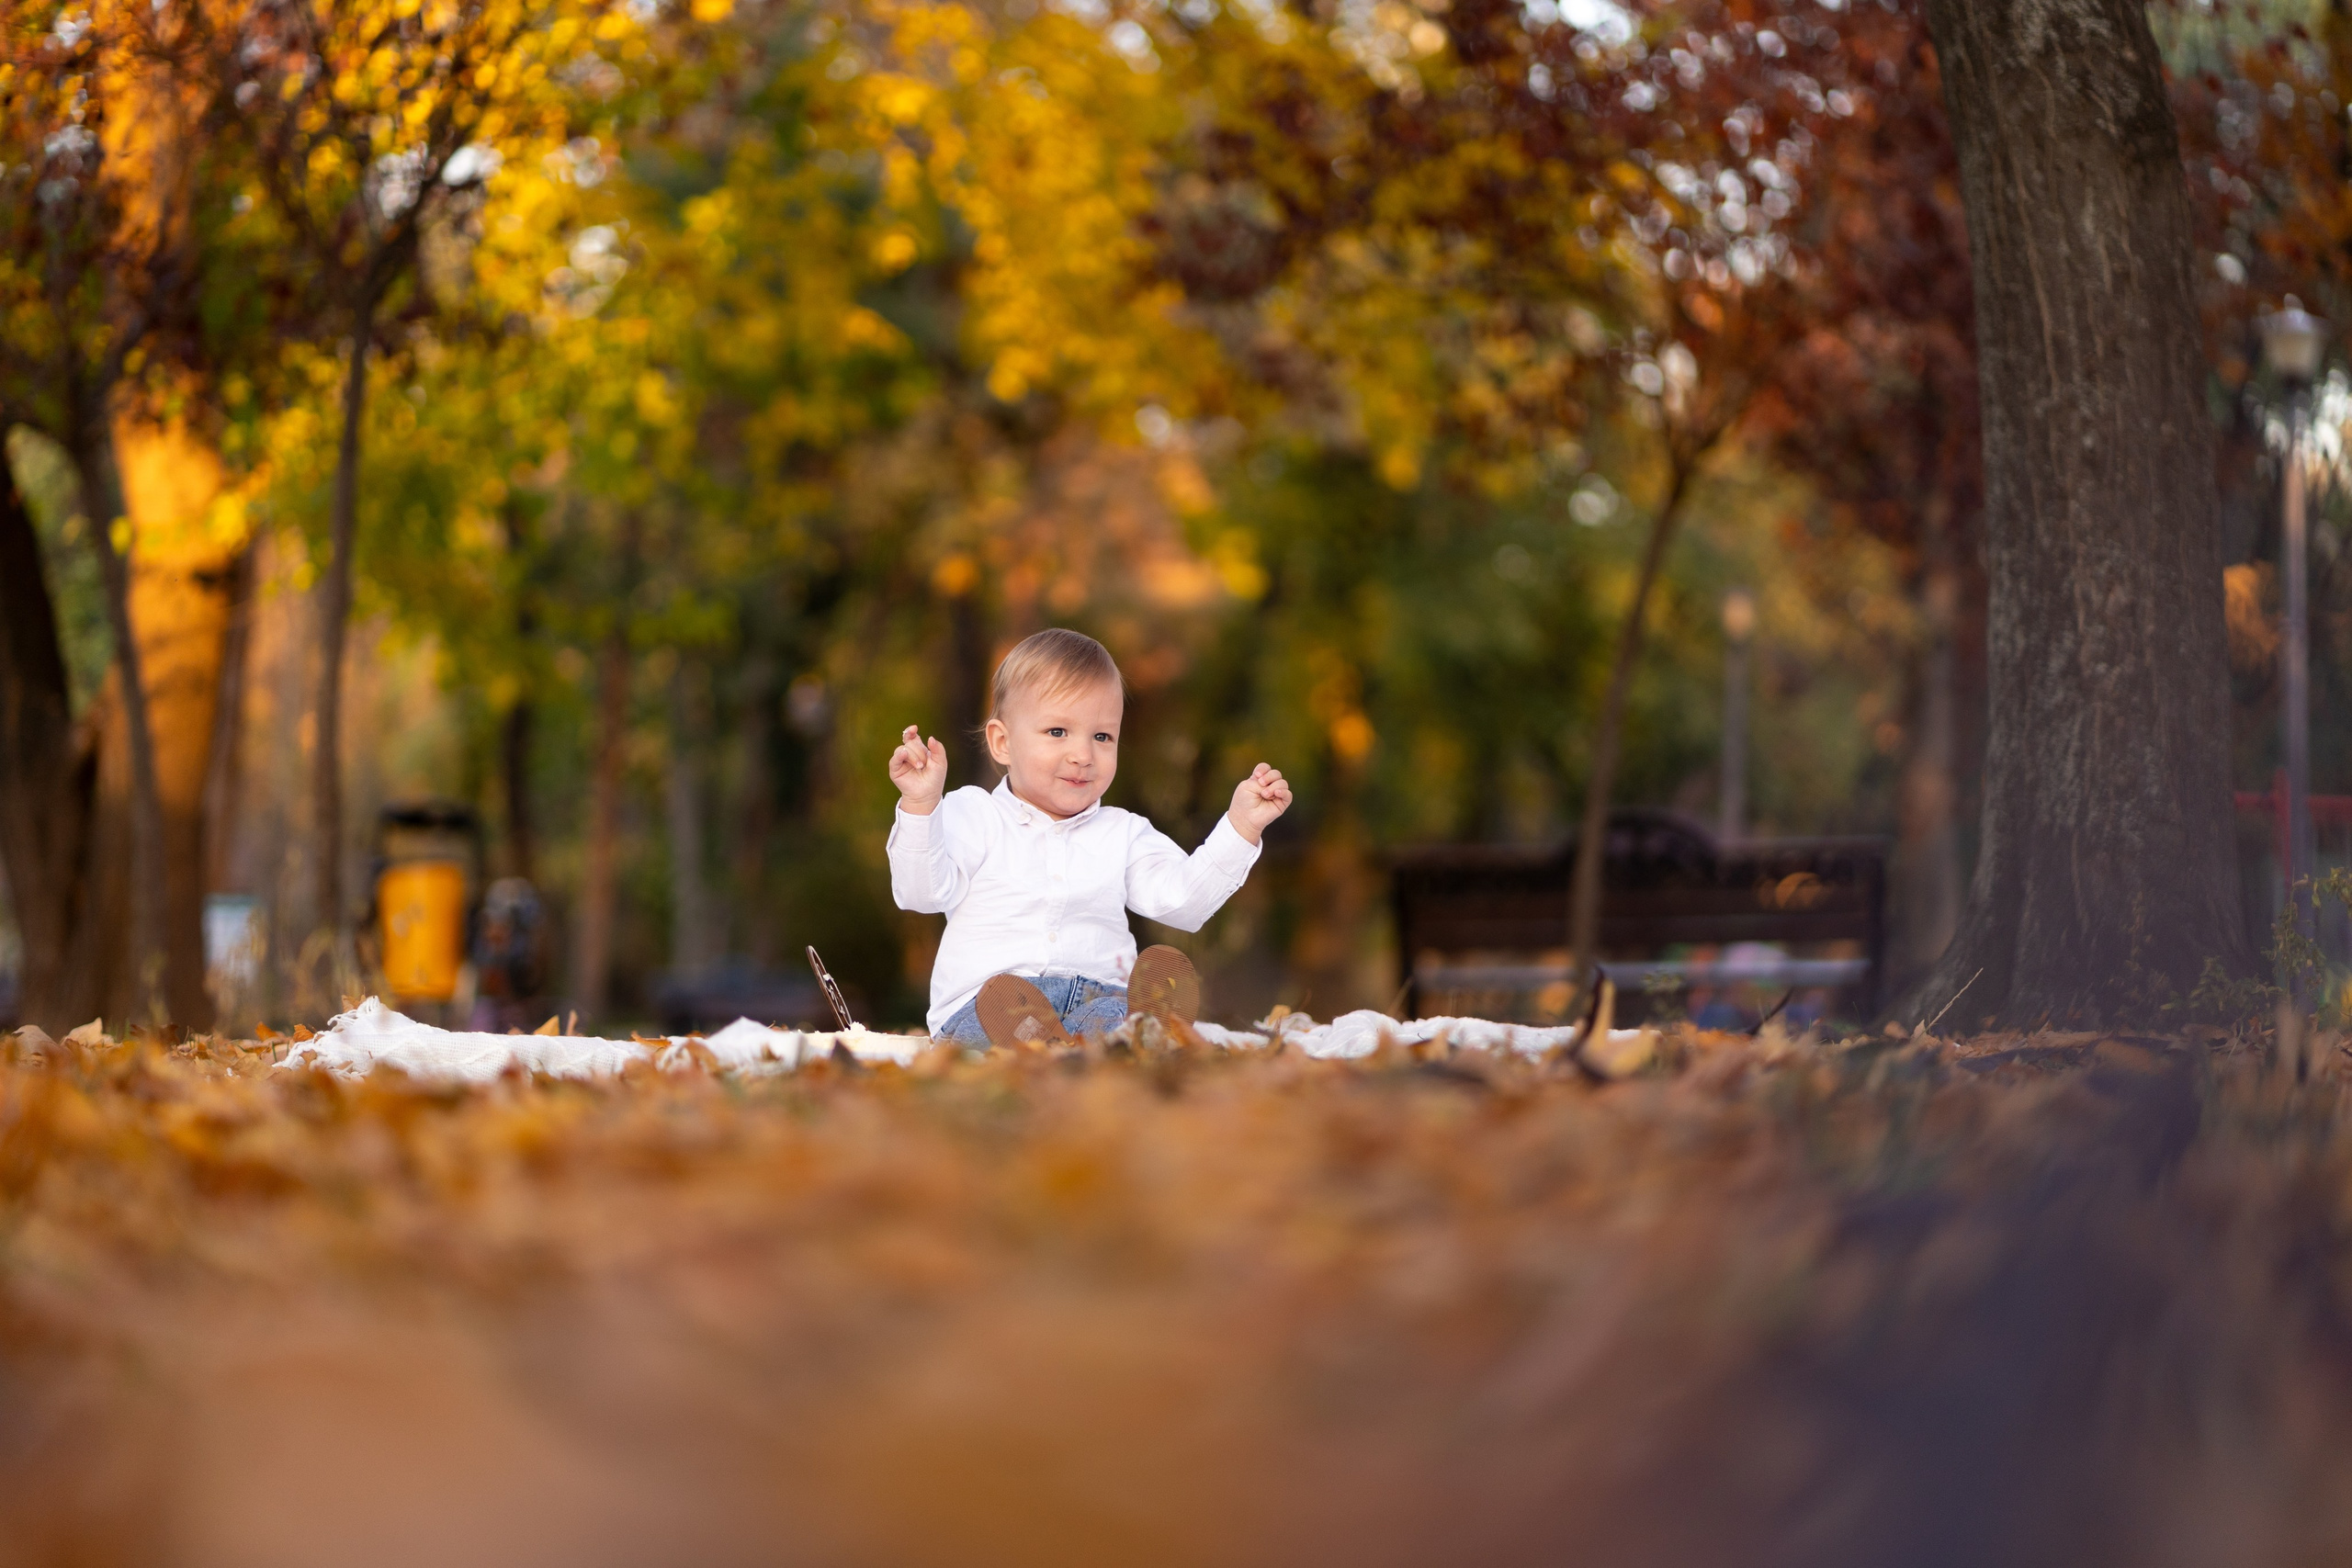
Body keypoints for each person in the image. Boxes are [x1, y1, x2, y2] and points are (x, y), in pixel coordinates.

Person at [888, 627, 1293, 1048]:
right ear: (1003, 742)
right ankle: (1074, 1046)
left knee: (1117, 1015)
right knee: (990, 1022)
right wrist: (920, 804)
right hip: (990, 1007)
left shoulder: (1124, 833)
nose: (1083, 754)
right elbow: (920, 894)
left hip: (1099, 998)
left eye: (1102, 736)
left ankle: (1117, 1038)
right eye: (1058, 732)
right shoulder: (971, 813)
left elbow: (1183, 903)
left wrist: (1241, 827)